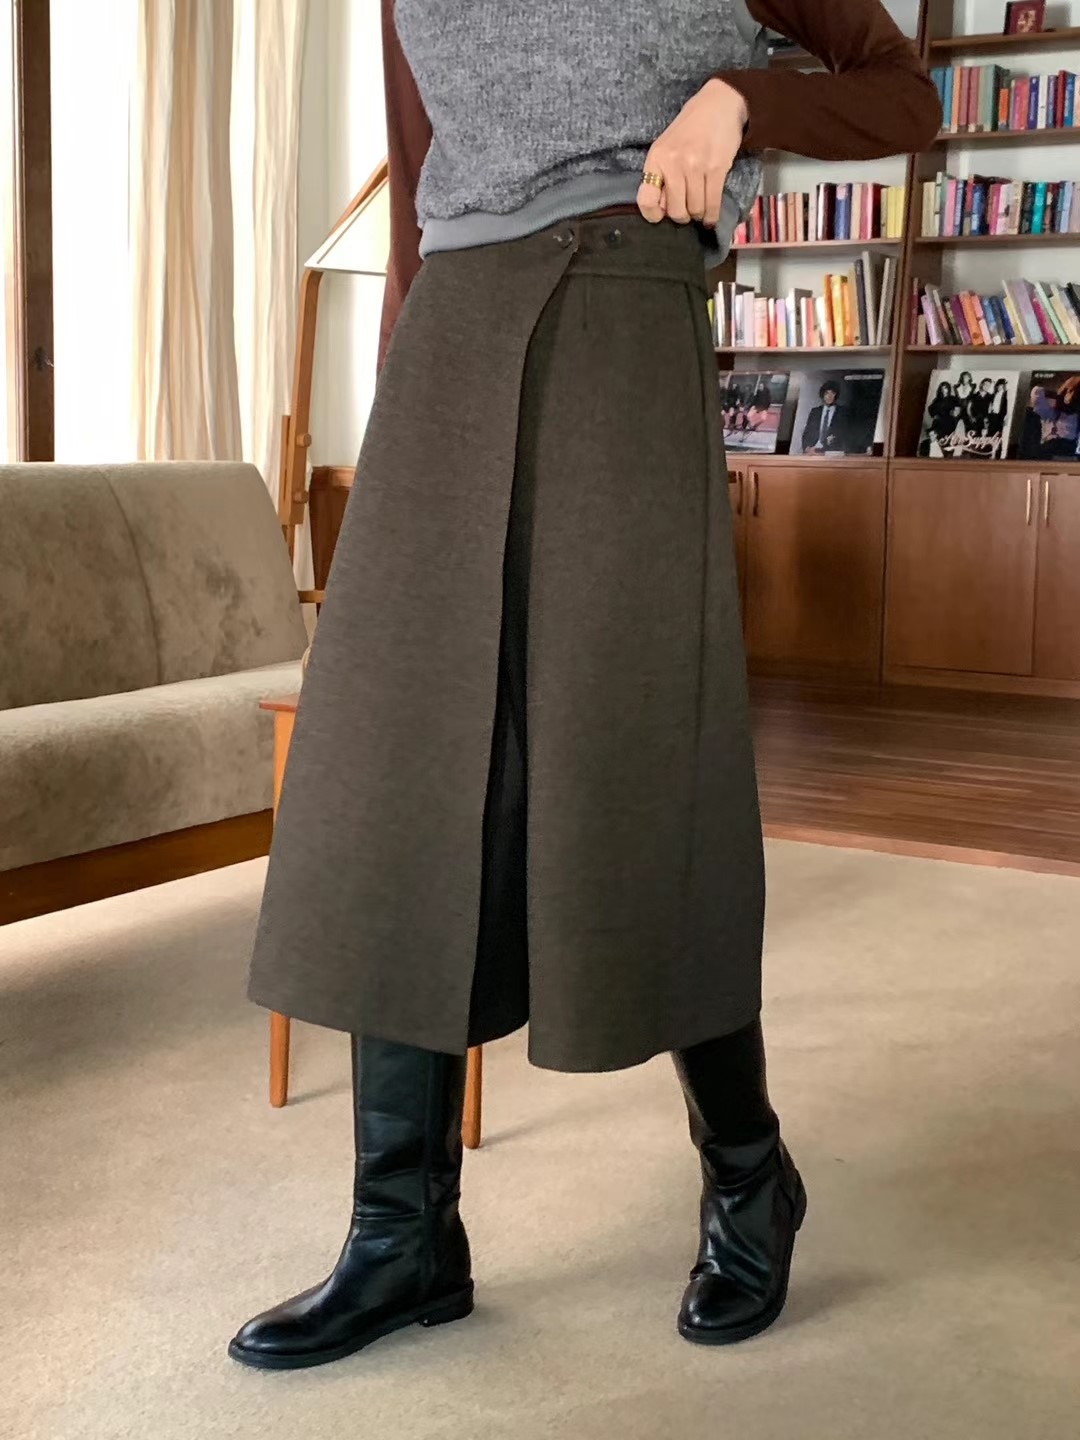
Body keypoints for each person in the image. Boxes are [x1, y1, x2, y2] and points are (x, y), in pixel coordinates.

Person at [229, 0, 942, 1371]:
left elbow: (904, 94)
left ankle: (748, 1173)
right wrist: (403, 386)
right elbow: (422, 177)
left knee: (631, 763)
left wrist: (740, 98)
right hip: (450, 339)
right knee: (398, 775)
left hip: (625, 307)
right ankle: (401, 1234)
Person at [801, 381, 851, 454]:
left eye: (832, 393)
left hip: (832, 452)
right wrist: (807, 448)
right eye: (826, 393)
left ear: (836, 395)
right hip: (813, 451)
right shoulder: (815, 411)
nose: (829, 396)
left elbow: (845, 434)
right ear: (823, 395)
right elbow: (807, 432)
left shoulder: (842, 412)